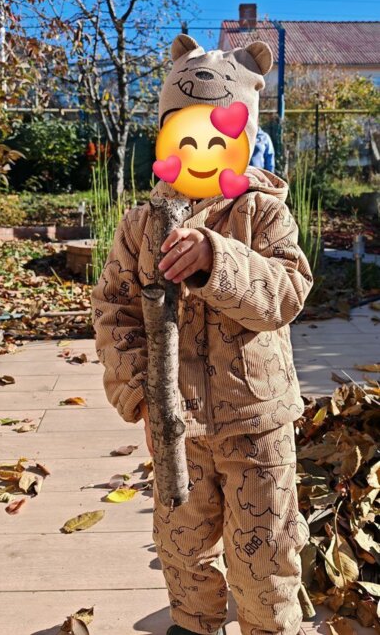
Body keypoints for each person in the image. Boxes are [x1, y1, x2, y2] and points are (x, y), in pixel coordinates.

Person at [91, 33, 313, 635]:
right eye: (184, 136)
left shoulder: (263, 213)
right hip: (177, 427)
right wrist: (141, 395)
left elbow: (287, 293)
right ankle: (193, 624)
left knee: (265, 550)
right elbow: (114, 311)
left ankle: (271, 626)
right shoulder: (141, 225)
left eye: (218, 138)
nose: (201, 151)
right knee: (182, 545)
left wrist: (219, 259)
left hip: (256, 422)